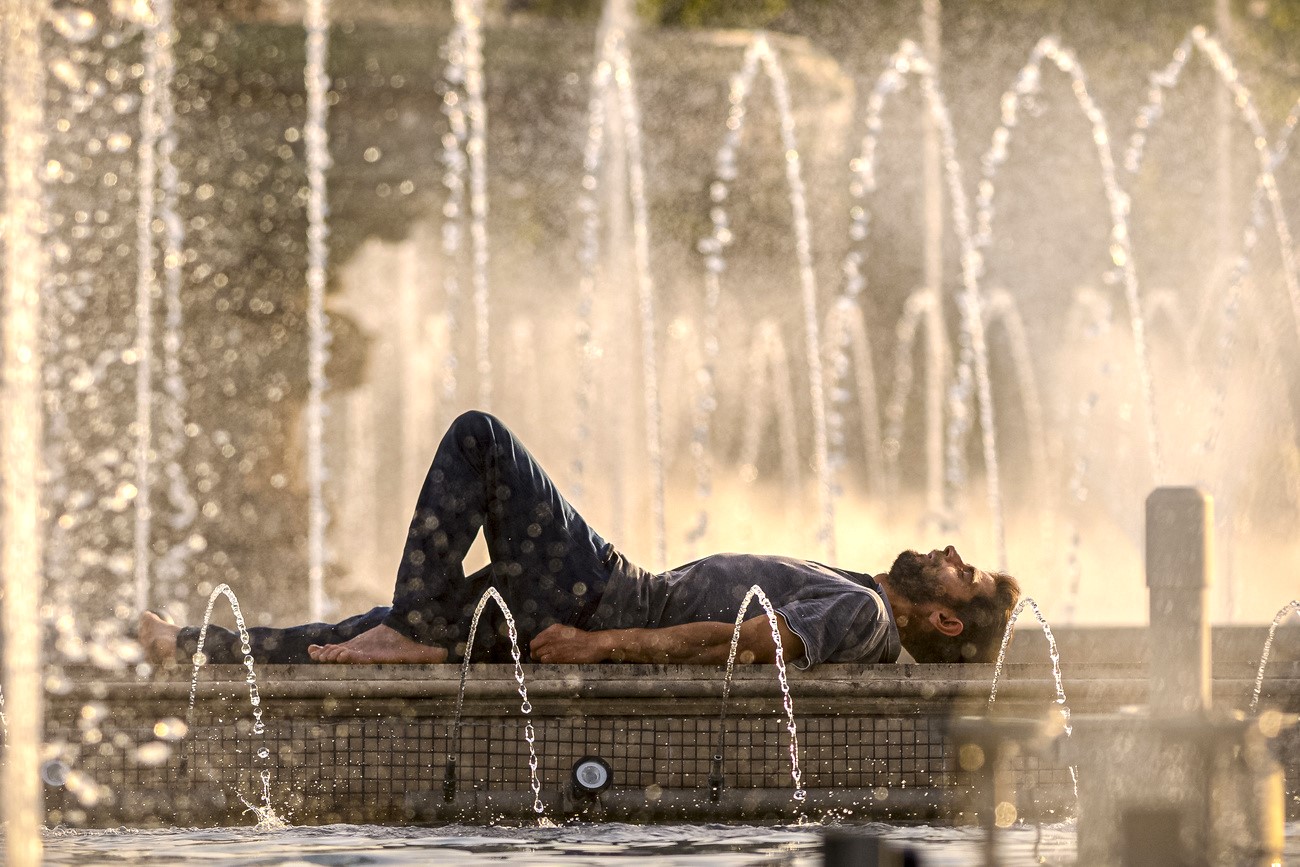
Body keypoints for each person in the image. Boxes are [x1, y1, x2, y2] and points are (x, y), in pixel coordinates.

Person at [137, 411, 1020, 669]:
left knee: (480, 438)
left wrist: (602, 643)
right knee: (357, 630)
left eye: (962, 569)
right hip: (586, 605)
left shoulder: (864, 612)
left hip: (597, 595)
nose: (947, 549)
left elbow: (752, 640)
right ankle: (190, 644)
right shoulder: (861, 594)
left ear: (947, 619)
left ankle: (411, 634)